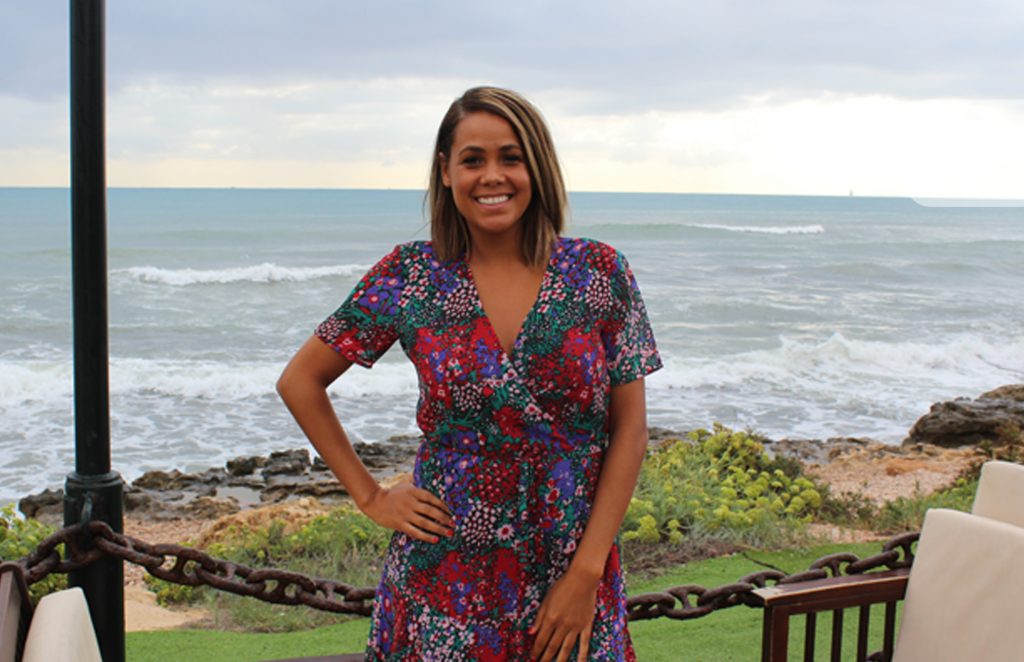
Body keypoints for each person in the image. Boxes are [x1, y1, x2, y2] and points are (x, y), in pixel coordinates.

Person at [277, 86, 661, 662]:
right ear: (446, 171)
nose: (492, 176)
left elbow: (629, 430)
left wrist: (587, 573)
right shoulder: (411, 274)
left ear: (537, 166)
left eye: (511, 157)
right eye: (473, 160)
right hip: (445, 576)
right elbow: (300, 381)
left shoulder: (599, 272)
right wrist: (371, 496)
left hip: (570, 568)